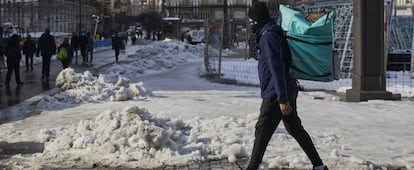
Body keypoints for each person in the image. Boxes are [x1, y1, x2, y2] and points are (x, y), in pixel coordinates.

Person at [246, 2, 328, 170]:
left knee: (262, 130)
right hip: (286, 87)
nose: (251, 23)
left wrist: (282, 99)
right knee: (295, 128)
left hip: (277, 93)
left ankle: (251, 168)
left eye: (251, 20)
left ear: (257, 19)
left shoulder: (268, 36)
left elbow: (277, 67)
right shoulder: (271, 31)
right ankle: (319, 166)